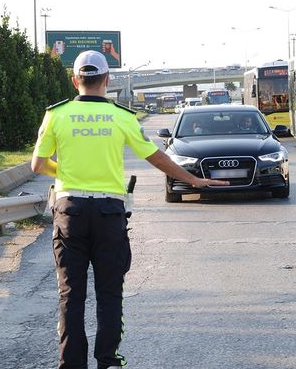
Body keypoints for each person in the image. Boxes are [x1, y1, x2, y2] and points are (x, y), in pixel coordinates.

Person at [31, 50, 228, 369]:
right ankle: (108, 361)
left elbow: (37, 164)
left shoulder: (56, 115)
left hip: (70, 213)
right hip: (109, 213)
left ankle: (70, 365)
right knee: (109, 293)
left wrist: (65, 173)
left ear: (74, 80)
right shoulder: (122, 116)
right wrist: (193, 179)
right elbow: (156, 157)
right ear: (107, 81)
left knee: (71, 295)